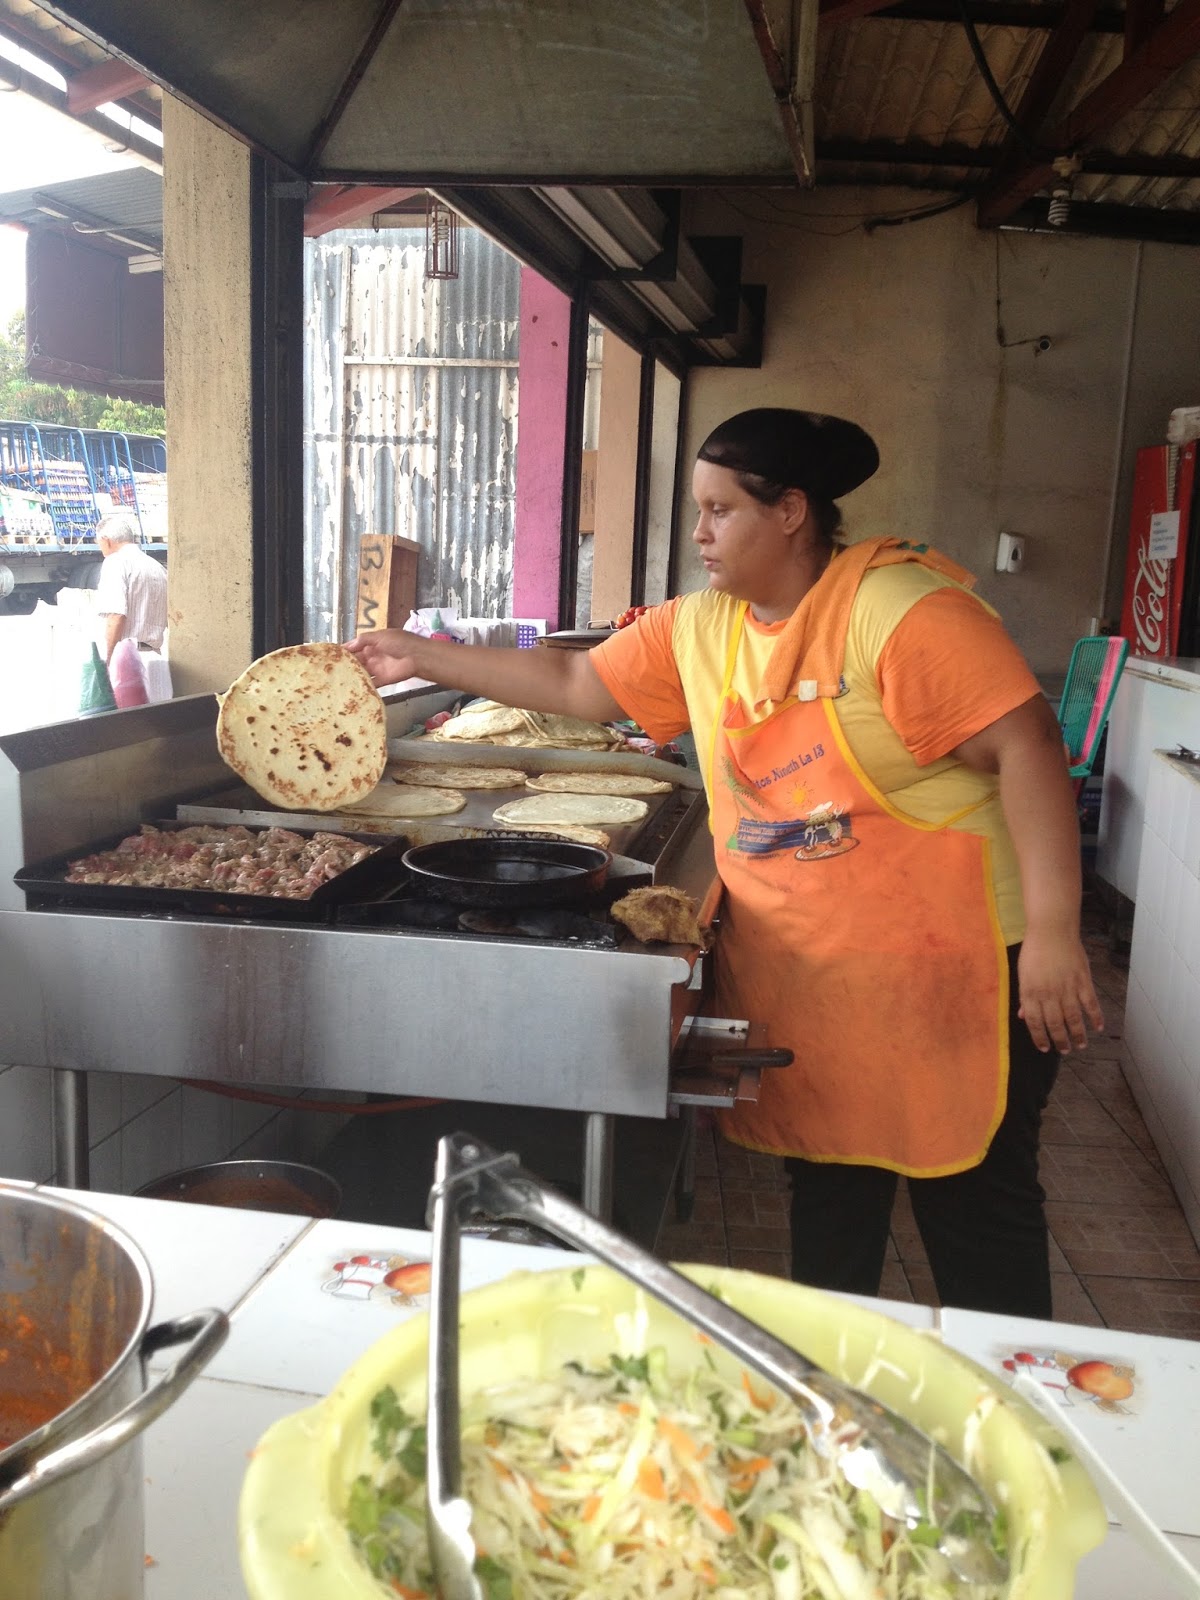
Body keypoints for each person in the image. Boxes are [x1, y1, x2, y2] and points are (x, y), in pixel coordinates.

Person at [348, 407, 1103, 1319]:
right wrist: (418, 655)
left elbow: (1027, 750)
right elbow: (574, 686)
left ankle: (1021, 1420)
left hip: (961, 970)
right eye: (696, 511)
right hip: (822, 969)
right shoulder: (705, 627)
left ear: (790, 511)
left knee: (975, 1203)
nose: (698, 534)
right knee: (829, 1184)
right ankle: (833, 1396)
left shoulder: (898, 612)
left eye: (719, 511)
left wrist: (1058, 934)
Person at [93, 512, 168, 665]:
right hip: (157, 660)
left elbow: (116, 615)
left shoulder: (115, 563)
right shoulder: (157, 566)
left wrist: (106, 661)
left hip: (128, 661)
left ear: (106, 540)